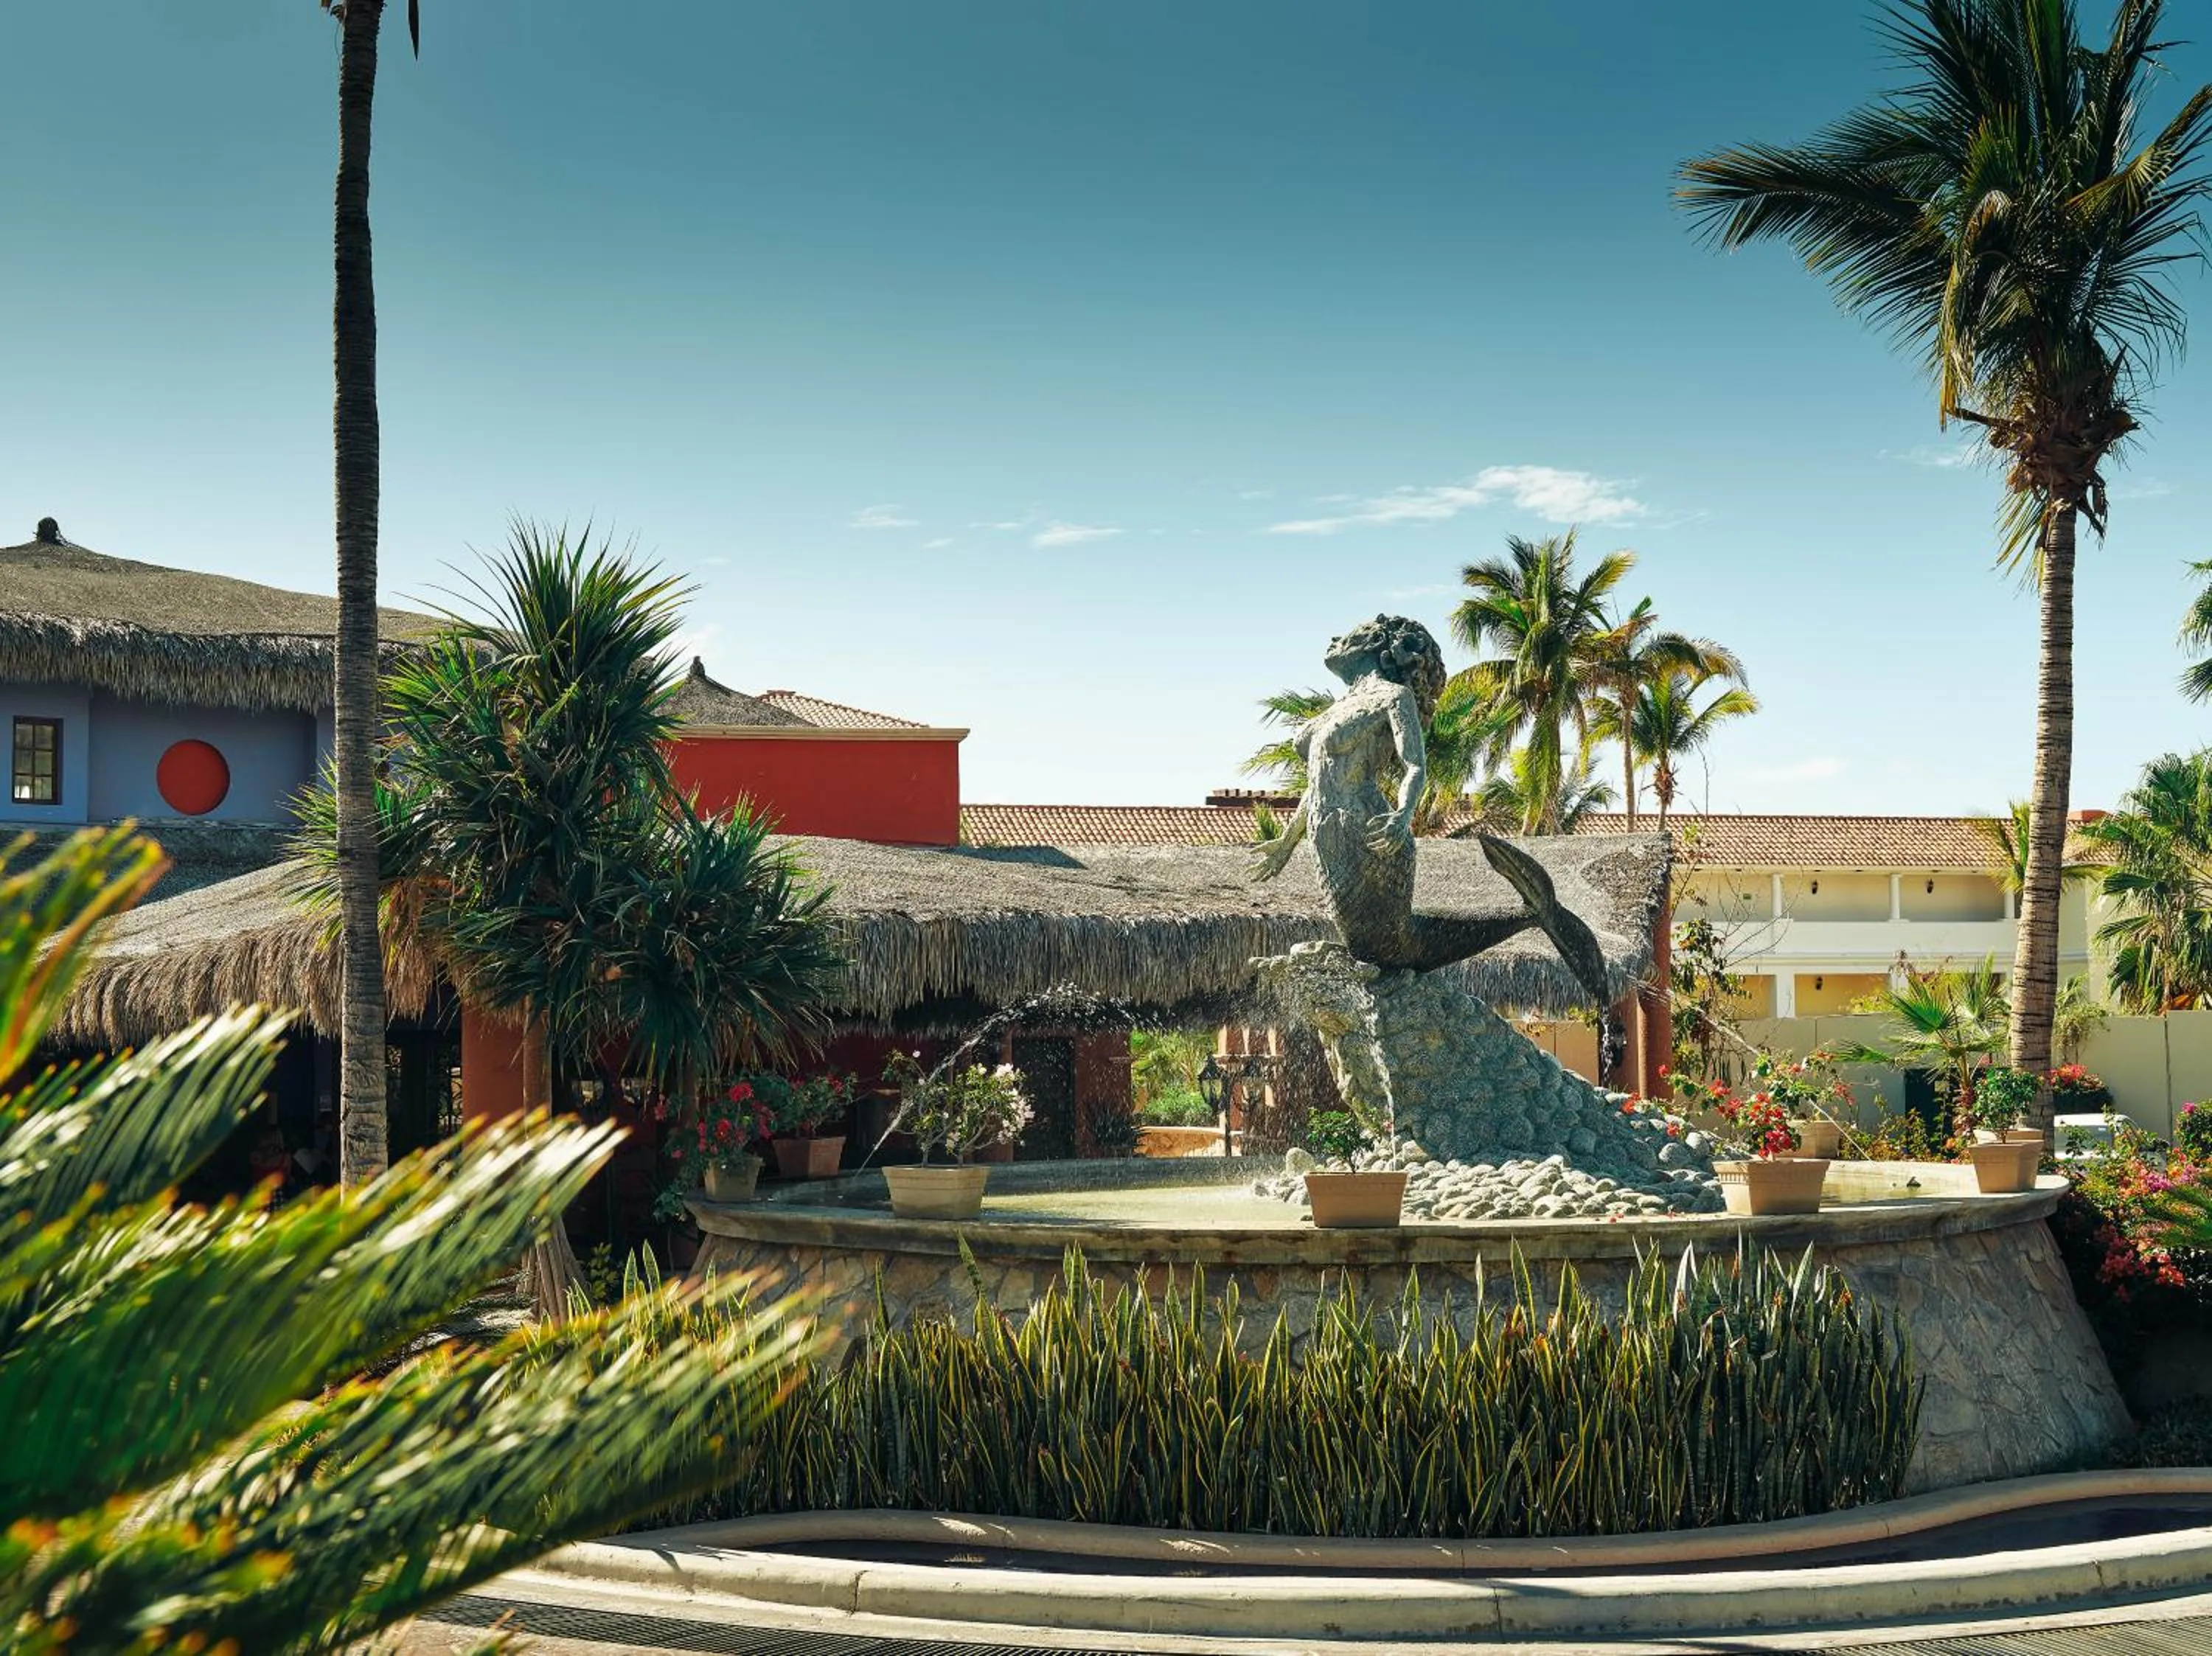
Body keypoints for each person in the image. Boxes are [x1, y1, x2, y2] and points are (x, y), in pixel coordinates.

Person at [1253, 614, 1615, 1015]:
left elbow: (1415, 767)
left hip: (1372, 832)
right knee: (1366, 946)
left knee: (1386, 944)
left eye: (1350, 635)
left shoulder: (1393, 697)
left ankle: (1536, 915)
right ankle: (1533, 916)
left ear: (1378, 646)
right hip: (1328, 837)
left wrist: (1403, 815)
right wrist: (1286, 843)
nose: (1336, 637)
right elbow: (1320, 781)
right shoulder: (1332, 711)